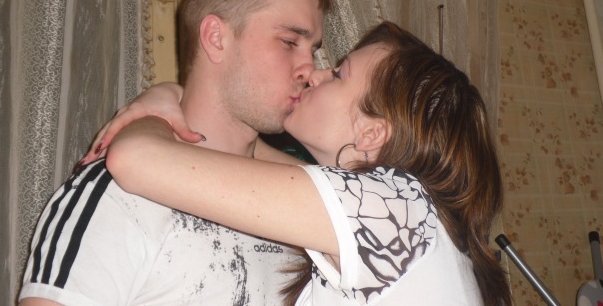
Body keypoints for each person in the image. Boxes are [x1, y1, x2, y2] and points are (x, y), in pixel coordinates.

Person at [97, 21, 512, 305]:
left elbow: (134, 158)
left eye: (340, 74)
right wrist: (172, 94)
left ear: (371, 133)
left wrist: (154, 113)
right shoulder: (410, 217)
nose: (315, 73)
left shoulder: (393, 209)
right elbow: (250, 151)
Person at [18, 0, 332, 305]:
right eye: (289, 42)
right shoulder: (120, 191)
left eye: (313, 50)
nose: (310, 69)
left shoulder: (299, 205)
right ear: (216, 38)